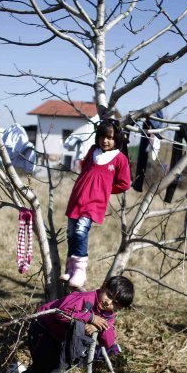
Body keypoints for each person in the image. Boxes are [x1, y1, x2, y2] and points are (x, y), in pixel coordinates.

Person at [18, 276, 135, 373]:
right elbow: (61, 313)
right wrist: (90, 318)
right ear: (103, 286)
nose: (108, 303)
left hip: (59, 337)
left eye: (115, 304)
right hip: (43, 328)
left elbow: (108, 342)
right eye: (109, 295)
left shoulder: (107, 315)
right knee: (51, 369)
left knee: (47, 364)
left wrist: (99, 327)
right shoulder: (84, 298)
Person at [61, 118, 131, 288]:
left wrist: (106, 189)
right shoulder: (93, 150)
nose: (105, 141)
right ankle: (71, 269)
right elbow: (85, 167)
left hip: (94, 203)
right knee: (70, 234)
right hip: (77, 198)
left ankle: (80, 271)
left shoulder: (119, 159)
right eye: (102, 136)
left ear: (117, 139)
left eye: (109, 137)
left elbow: (125, 183)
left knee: (80, 232)